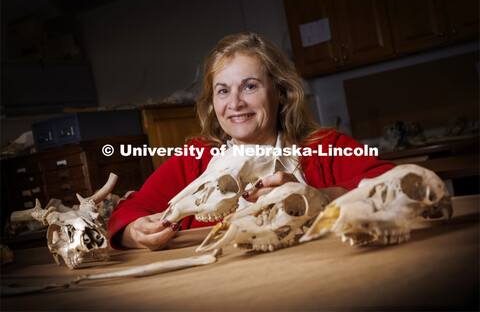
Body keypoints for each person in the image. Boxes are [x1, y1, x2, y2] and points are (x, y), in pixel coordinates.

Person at [108, 31, 395, 250]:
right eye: (222, 91)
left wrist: (320, 197)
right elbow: (131, 210)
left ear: (281, 92)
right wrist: (134, 231)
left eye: (250, 86)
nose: (235, 103)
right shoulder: (195, 158)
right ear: (213, 102)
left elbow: (393, 181)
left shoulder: (324, 147)